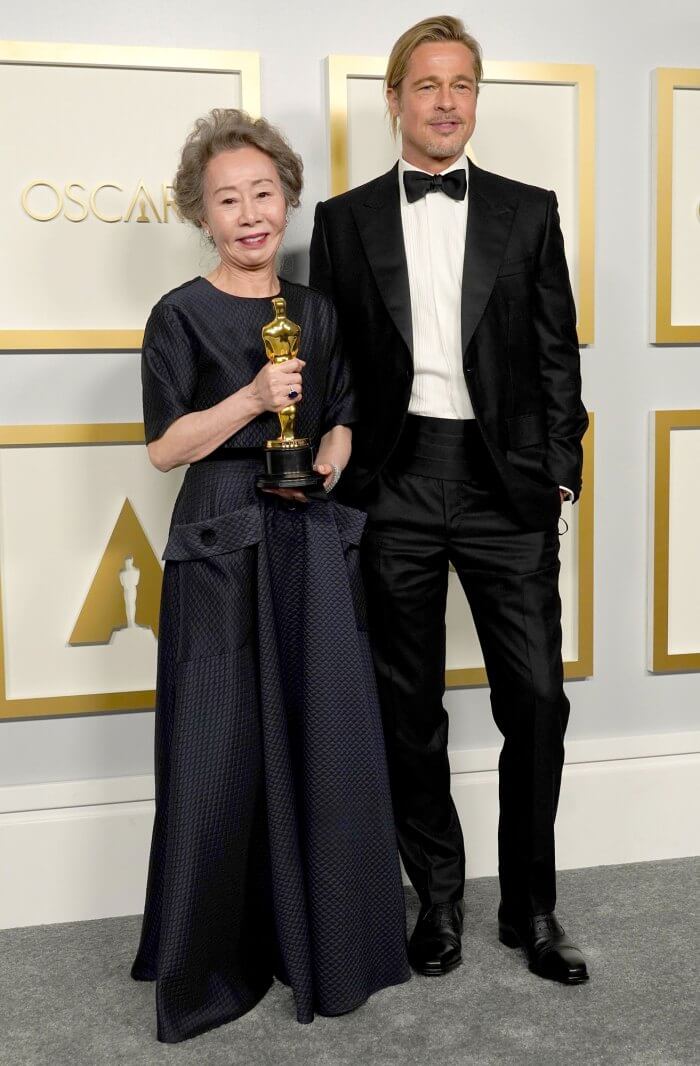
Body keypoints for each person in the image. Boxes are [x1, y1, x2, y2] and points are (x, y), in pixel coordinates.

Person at [309, 16, 589, 985]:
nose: (445, 101)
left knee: (538, 701)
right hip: (394, 481)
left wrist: (559, 471)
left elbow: (557, 353)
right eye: (426, 85)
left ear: (475, 98)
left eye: (461, 84)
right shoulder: (343, 222)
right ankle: (436, 897)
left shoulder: (529, 211)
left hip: (505, 483)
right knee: (407, 706)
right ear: (394, 99)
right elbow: (335, 360)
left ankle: (530, 908)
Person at [131, 108, 410, 1044]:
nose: (250, 214)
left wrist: (332, 447)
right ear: (201, 214)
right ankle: (211, 961)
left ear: (287, 200)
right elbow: (166, 447)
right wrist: (252, 398)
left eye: (263, 194)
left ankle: (319, 943)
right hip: (219, 543)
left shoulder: (315, 312)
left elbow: (343, 411)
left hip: (303, 535)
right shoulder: (178, 315)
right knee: (217, 750)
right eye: (228, 200)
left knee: (316, 733)